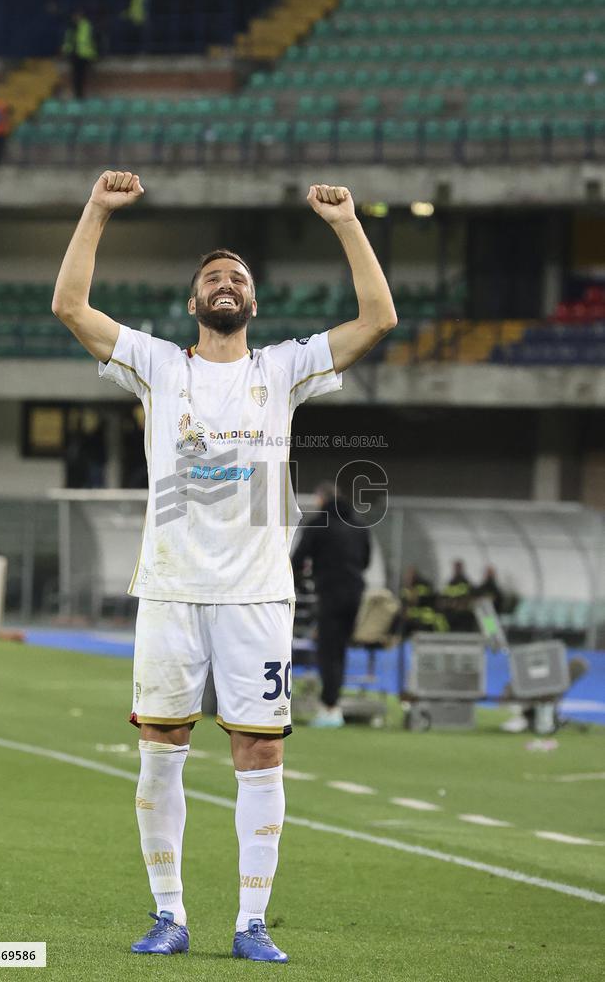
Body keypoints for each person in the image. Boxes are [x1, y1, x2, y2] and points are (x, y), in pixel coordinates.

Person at [51, 170, 397, 962]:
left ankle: (251, 923)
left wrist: (346, 224)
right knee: (161, 747)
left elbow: (379, 318)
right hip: (171, 589)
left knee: (261, 753)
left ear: (253, 303)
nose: (226, 282)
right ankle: (169, 913)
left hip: (256, 595)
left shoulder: (281, 369)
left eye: (237, 276)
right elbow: (70, 306)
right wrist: (97, 209)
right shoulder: (157, 365)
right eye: (212, 277)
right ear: (193, 302)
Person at [291, 481, 370, 728]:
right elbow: (365, 561)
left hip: (331, 593)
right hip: (355, 594)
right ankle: (333, 704)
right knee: (340, 650)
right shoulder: (359, 525)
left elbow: (297, 560)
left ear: (321, 499)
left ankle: (329, 707)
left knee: (327, 651)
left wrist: (302, 581)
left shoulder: (319, 524)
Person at [61, 10, 98, 99]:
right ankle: (78, 95)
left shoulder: (87, 25)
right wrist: (65, 52)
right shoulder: (70, 27)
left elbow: (93, 39)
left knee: (84, 75)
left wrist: (94, 54)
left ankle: (84, 95)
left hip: (85, 55)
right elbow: (68, 41)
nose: (76, 17)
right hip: (74, 55)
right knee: (76, 76)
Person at [440, 559, 475, 632]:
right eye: (456, 567)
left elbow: (472, 596)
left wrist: (464, 604)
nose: (457, 569)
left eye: (458, 567)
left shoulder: (466, 583)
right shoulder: (451, 583)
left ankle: (492, 633)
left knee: (488, 619)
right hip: (453, 614)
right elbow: (445, 596)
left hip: (465, 615)